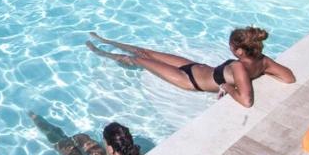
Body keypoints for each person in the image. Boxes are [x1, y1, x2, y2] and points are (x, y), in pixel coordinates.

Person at [86, 27, 295, 108]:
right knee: (145, 52)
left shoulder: (240, 68)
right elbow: (288, 77)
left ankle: (101, 52)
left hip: (189, 80)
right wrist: (263, 70)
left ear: (239, 51)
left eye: (231, 45)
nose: (229, 47)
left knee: (137, 60)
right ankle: (106, 40)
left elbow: (247, 101)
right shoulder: (263, 59)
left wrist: (227, 86)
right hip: (196, 67)